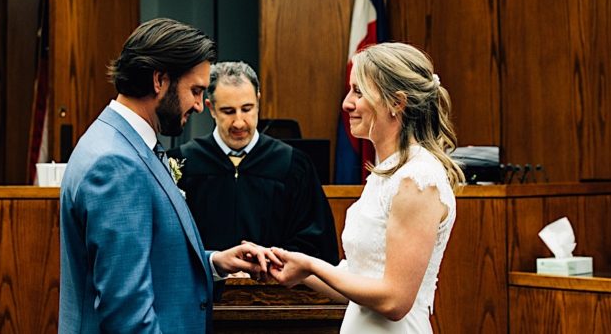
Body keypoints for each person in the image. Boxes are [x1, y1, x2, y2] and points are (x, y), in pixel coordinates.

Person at [58, 18, 277, 334]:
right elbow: (127, 315)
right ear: (159, 80)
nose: (200, 106)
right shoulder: (116, 164)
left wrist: (215, 262)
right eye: (196, 91)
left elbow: (150, 259)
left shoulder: (121, 142)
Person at [268, 42, 464, 333]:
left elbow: (394, 301)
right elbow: (359, 282)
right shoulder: (386, 173)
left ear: (397, 102)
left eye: (358, 92)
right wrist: (284, 262)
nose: (347, 103)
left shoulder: (417, 180)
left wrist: (311, 265)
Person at [170, 61, 339, 265]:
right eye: (228, 111)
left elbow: (314, 244)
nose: (239, 122)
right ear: (211, 108)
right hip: (204, 289)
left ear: (258, 102)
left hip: (275, 291)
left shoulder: (292, 164)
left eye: (247, 109)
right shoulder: (182, 163)